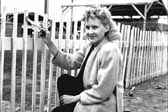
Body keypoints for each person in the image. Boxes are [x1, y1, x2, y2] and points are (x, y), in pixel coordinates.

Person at [39, 6, 122, 112]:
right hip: (88, 93)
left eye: (95, 27)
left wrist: (74, 98)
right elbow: (70, 62)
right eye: (87, 27)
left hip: (102, 102)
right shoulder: (91, 46)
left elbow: (103, 91)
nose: (90, 31)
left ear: (106, 28)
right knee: (64, 80)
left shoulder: (109, 50)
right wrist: (49, 42)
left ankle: (71, 107)